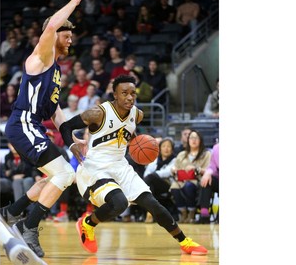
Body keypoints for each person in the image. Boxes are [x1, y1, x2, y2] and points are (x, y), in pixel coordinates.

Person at [59, 75, 208, 255]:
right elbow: (65, 127)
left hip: (120, 166)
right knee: (119, 202)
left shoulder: (137, 114)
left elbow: (130, 136)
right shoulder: (98, 113)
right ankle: (87, 224)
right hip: (96, 167)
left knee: (153, 205)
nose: (130, 97)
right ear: (114, 94)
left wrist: (144, 145)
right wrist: (72, 144)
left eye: (133, 94)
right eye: (124, 93)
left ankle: (185, 241)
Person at [2, 0, 89, 258]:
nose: (70, 39)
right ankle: (29, 227)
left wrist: (71, 140)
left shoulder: (56, 71)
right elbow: (51, 24)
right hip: (23, 125)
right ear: (53, 35)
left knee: (56, 177)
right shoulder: (41, 56)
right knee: (65, 174)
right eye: (67, 34)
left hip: (33, 128)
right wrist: (74, 2)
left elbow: (55, 111)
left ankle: (10, 213)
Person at [170, 130, 211, 224]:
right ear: (188, 140)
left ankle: (192, 212)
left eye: (196, 138)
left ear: (200, 140)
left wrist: (196, 168)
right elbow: (174, 168)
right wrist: (173, 169)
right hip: (181, 180)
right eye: (191, 137)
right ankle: (183, 212)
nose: (194, 140)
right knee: (174, 187)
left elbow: (209, 170)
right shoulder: (181, 154)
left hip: (198, 181)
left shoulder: (206, 154)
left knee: (189, 186)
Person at [143, 137, 178, 223]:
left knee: (150, 179)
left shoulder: (175, 160)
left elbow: (168, 172)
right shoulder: (155, 159)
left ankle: (150, 211)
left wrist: (154, 175)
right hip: (154, 185)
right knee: (150, 183)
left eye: (168, 146)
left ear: (172, 149)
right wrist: (152, 176)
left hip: (167, 185)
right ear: (160, 148)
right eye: (164, 146)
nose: (166, 148)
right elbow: (145, 174)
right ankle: (150, 212)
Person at [197, 142, 219, 224]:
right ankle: (204, 213)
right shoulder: (217, 148)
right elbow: (212, 167)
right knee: (205, 180)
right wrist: (207, 173)